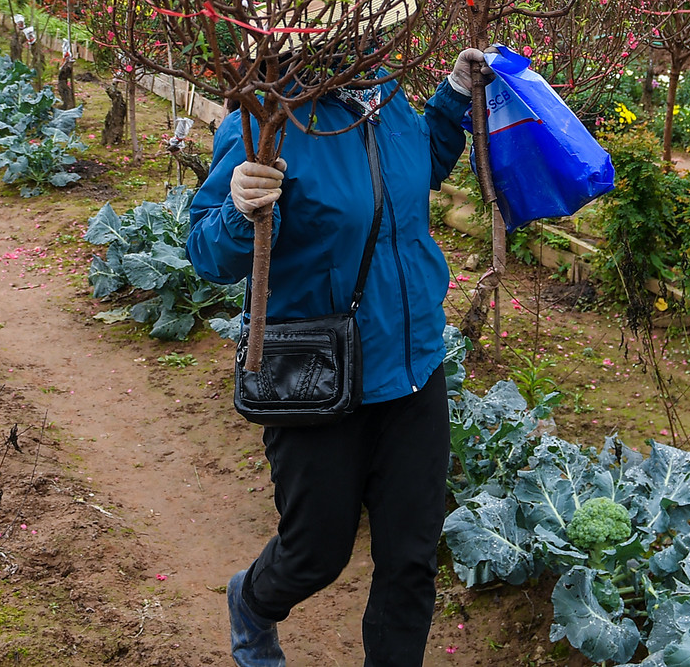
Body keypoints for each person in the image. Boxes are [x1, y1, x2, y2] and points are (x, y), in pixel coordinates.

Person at [186, 46, 490, 667]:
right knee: (316, 553)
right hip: (316, 373)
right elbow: (208, 253)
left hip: (413, 368)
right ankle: (254, 601)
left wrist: (454, 96)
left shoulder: (386, 96)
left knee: (409, 560)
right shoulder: (271, 118)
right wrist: (241, 210)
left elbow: (419, 165)